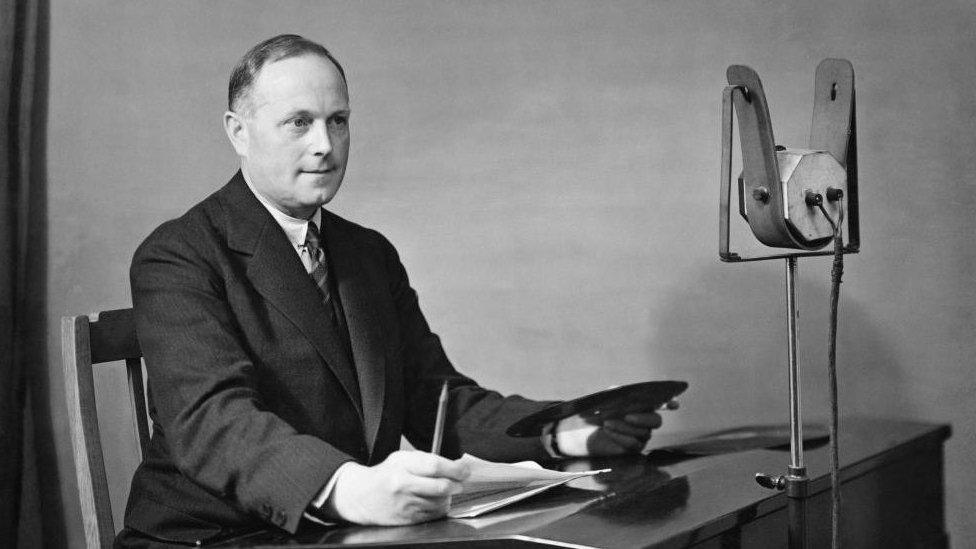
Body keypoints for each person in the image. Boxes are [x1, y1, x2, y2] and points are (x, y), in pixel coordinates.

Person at [116, 34, 667, 547]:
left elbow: (435, 399)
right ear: (238, 131)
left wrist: (561, 436)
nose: (325, 145)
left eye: (339, 121)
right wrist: (347, 487)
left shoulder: (368, 254)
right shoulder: (178, 254)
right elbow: (216, 418)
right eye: (298, 122)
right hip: (214, 537)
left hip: (342, 536)